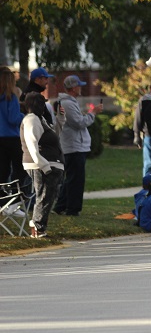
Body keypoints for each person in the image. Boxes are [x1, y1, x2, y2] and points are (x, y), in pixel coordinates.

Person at [53, 75, 101, 216]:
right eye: (79, 85)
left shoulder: (68, 102)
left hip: (73, 145)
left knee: (71, 178)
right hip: (74, 146)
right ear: (73, 88)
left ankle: (60, 206)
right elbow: (79, 123)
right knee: (76, 180)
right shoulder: (67, 104)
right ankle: (73, 209)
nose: (81, 88)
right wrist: (93, 113)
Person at [20, 92, 64, 238]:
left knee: (47, 196)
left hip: (47, 164)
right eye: (41, 103)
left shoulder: (40, 119)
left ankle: (38, 226)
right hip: (40, 165)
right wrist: (45, 166)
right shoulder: (32, 119)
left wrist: (60, 118)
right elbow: (32, 145)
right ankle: (38, 228)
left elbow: (54, 137)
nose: (43, 106)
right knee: (44, 196)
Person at [0, 67, 25, 200]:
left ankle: (2, 199)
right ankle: (15, 198)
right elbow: (13, 119)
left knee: (3, 170)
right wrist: (24, 115)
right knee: (19, 170)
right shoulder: (11, 98)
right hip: (12, 137)